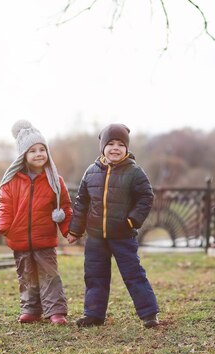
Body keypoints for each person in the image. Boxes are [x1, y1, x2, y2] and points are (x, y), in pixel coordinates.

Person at [67, 123, 160, 328]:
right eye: (110, 144)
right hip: (95, 236)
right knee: (94, 275)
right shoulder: (91, 172)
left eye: (120, 144)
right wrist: (75, 229)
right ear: (102, 147)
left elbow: (146, 198)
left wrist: (131, 221)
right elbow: (82, 201)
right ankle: (93, 314)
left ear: (127, 148)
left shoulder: (134, 172)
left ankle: (149, 314)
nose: (115, 148)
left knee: (133, 274)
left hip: (123, 235)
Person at [0, 119, 73, 325]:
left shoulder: (54, 181)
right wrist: (5, 225)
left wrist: (68, 230)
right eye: (33, 151)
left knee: (49, 275)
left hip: (44, 237)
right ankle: (31, 309)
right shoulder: (12, 181)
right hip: (19, 237)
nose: (39, 154)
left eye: (42, 149)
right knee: (27, 276)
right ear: (23, 155)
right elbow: (5, 203)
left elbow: (64, 206)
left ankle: (55, 311)